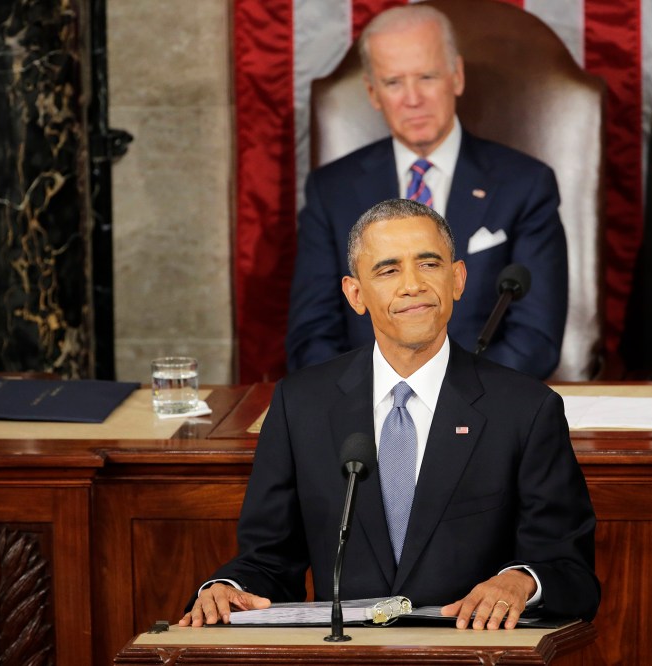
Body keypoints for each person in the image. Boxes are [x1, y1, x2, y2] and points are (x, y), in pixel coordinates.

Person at [180, 199, 599, 630]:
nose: (412, 285)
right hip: (348, 658)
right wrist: (227, 587)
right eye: (388, 270)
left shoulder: (526, 408)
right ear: (355, 294)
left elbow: (570, 571)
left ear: (457, 279)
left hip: (471, 651)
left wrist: (519, 581)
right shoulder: (300, 405)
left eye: (429, 264)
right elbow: (269, 560)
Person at [286, 3, 568, 380]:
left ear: (457, 77)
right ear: (372, 92)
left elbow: (535, 337)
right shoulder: (332, 191)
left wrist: (452, 400)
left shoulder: (526, 185)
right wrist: (373, 398)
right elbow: (311, 335)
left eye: (427, 77)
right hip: (364, 413)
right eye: (393, 82)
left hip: (484, 408)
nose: (412, 98)